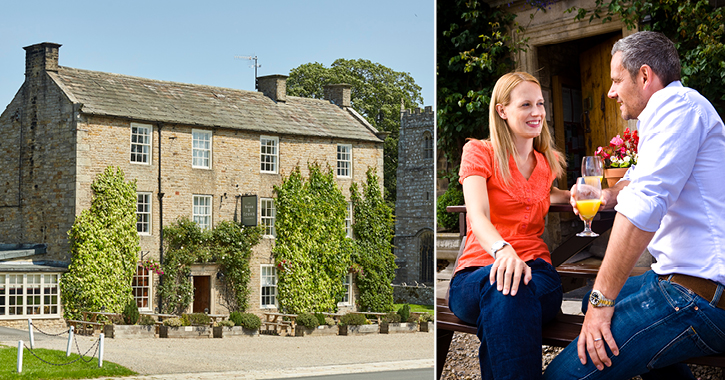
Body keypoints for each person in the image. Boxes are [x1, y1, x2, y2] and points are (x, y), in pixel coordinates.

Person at [544, 31, 725, 380]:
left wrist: (602, 301)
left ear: (644, 76)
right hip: (676, 278)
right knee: (586, 302)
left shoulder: (679, 110)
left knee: (561, 374)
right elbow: (639, 179)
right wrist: (610, 194)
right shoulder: (669, 114)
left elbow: (643, 206)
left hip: (699, 295)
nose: (610, 91)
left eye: (616, 80)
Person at [447, 71, 570, 380]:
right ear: (502, 110)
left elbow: (547, 194)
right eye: (526, 104)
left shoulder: (547, 162)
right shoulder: (479, 152)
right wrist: (503, 252)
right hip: (476, 273)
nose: (537, 112)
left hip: (537, 271)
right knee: (504, 287)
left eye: (540, 104)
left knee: (510, 293)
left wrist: (587, 194)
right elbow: (477, 215)